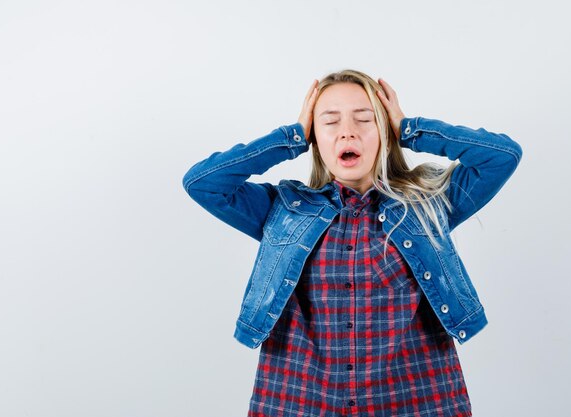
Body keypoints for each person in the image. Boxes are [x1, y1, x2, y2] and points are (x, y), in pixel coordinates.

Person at [182, 69, 522, 417]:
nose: (348, 130)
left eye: (365, 119)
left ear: (385, 133)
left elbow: (502, 157)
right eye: (329, 121)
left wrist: (410, 129)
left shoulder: (426, 204)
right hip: (300, 398)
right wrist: (291, 138)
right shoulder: (283, 210)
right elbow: (203, 183)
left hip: (416, 398)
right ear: (315, 137)